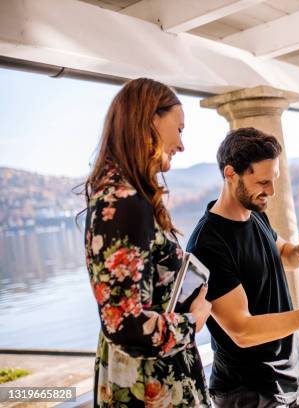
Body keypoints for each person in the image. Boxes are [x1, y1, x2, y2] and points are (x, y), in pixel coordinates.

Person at [186, 127, 299, 408]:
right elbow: (242, 330)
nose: (272, 191)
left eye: (274, 179)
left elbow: (283, 254)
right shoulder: (208, 244)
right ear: (230, 174)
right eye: (263, 182)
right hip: (249, 394)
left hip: (290, 381)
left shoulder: (256, 215)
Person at [82, 78, 212, 407]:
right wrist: (192, 322)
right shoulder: (126, 202)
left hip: (140, 377)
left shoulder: (116, 195)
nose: (182, 144)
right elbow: (125, 326)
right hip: (150, 387)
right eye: (179, 129)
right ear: (151, 119)